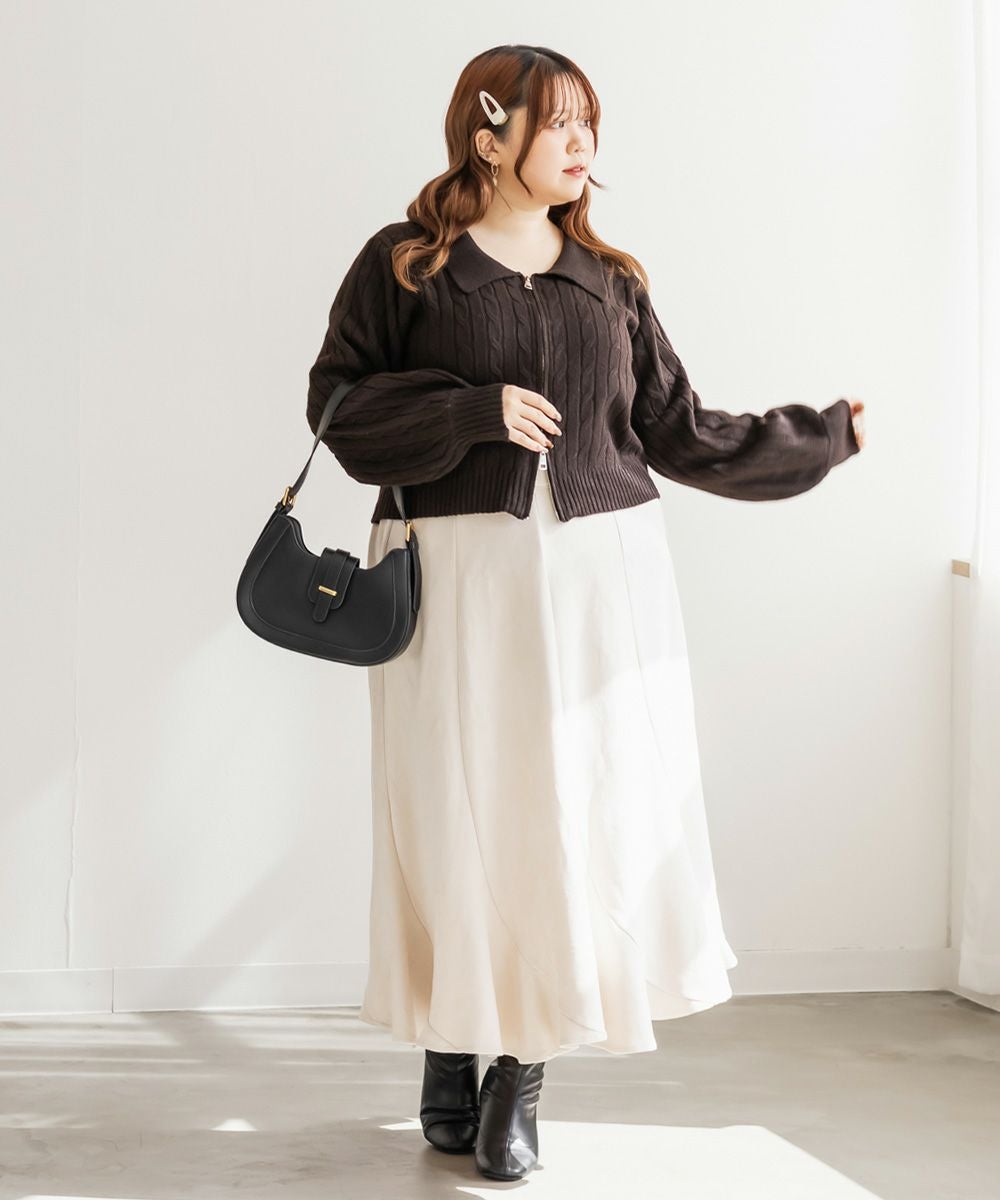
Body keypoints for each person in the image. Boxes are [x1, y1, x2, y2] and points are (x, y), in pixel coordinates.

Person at [306, 44, 865, 1184]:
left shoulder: (609, 279)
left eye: (588, 124)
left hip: (599, 580)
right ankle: (452, 1037)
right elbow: (338, 408)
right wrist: (469, 414)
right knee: (453, 812)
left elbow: (677, 429)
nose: (582, 145)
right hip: (452, 575)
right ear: (488, 135)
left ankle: (522, 1072)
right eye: (559, 122)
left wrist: (823, 436)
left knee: (568, 817)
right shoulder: (406, 265)